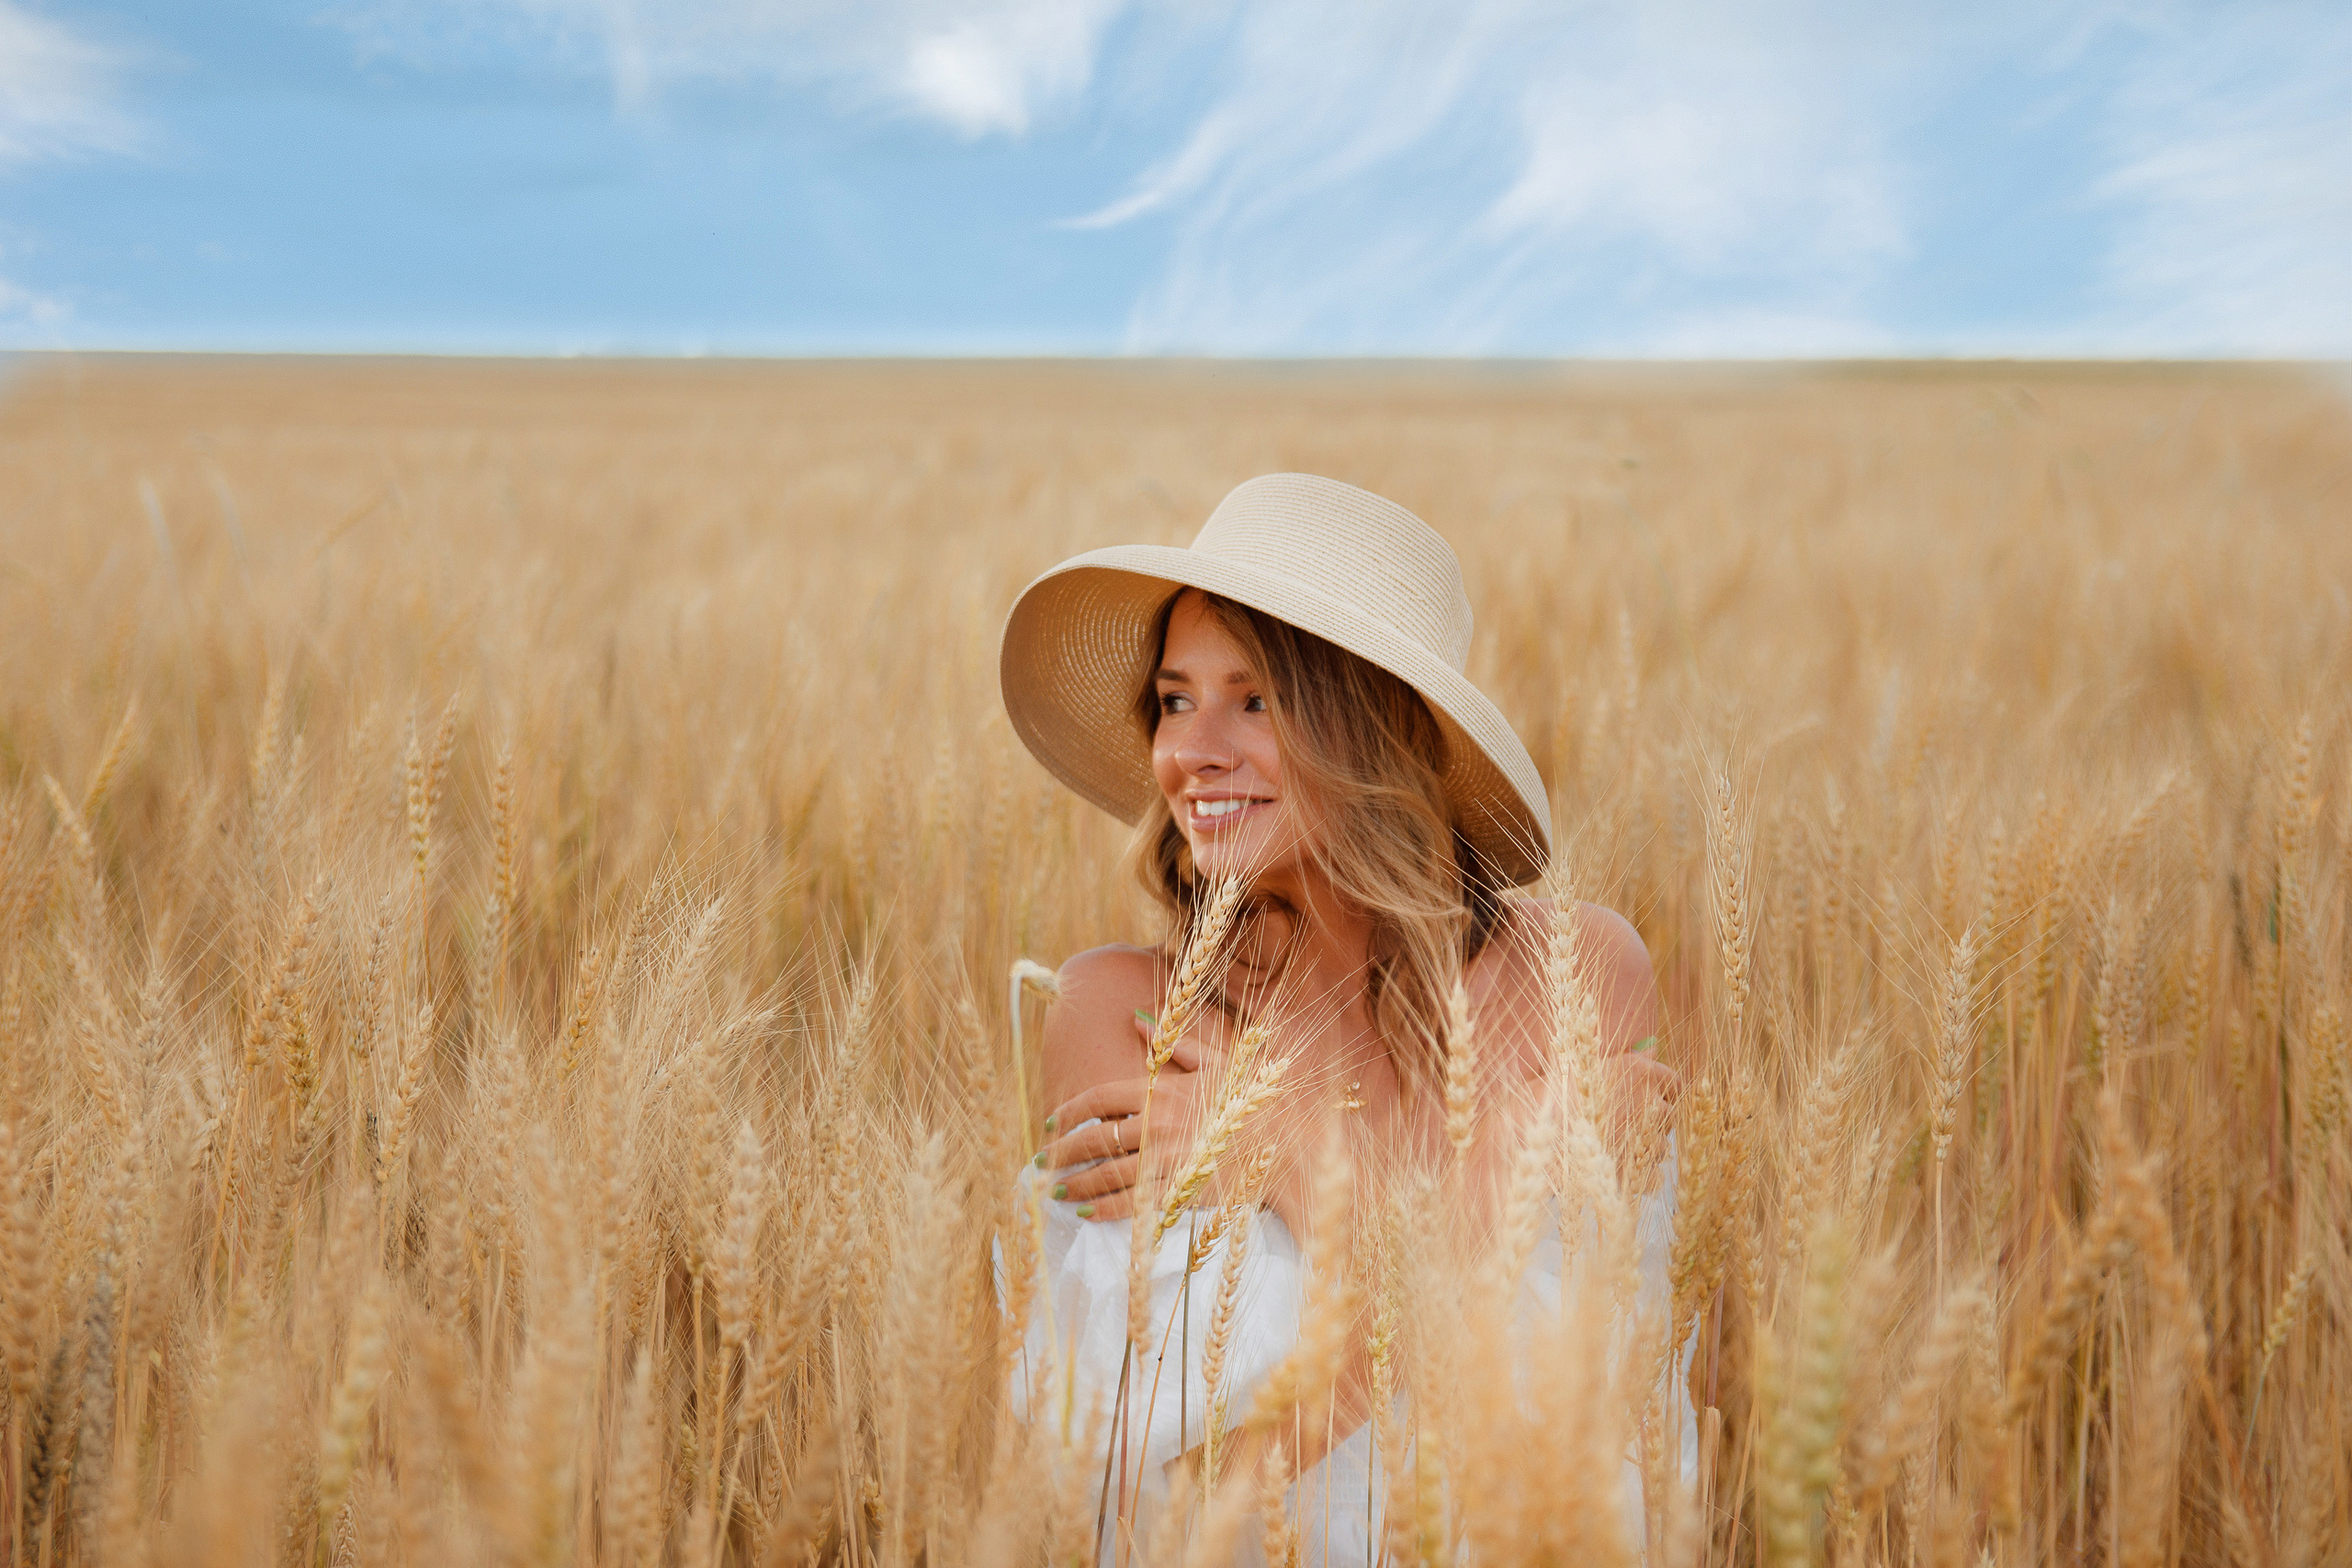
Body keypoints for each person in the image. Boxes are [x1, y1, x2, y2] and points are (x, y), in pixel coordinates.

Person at [997, 473, 1689, 1563]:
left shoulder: (1579, 971)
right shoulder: (1122, 1014)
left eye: (1256, 699)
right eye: (1176, 700)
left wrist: (1283, 1148)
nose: (1192, 753)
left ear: (1368, 726)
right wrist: (1477, 1182)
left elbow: (1615, 1429)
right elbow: (1164, 1504)